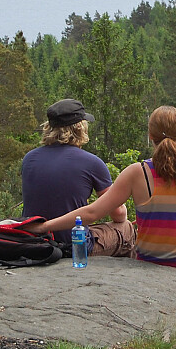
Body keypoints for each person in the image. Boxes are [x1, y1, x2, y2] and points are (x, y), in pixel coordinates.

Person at [23, 105, 176, 293]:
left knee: (130, 232)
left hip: (150, 263)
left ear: (150, 135)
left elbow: (91, 213)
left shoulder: (136, 172)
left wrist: (44, 227)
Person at [20, 98, 136, 257]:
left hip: (34, 241)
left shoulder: (29, 159)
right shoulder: (92, 163)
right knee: (126, 228)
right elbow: (118, 214)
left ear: (49, 128)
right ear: (79, 128)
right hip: (72, 246)